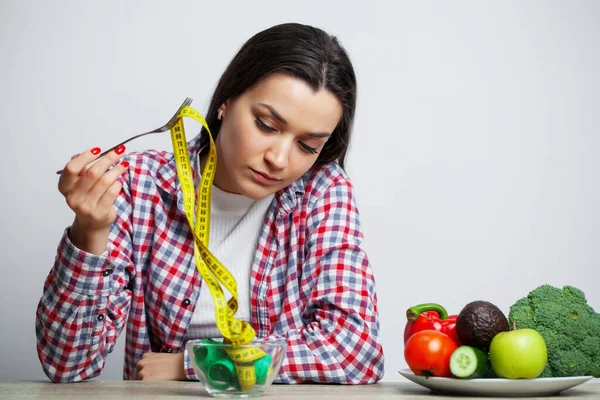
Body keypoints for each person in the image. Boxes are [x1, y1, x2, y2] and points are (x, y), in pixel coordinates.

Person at [36, 22, 384, 384]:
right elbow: (68, 365)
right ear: (224, 103)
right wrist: (89, 233)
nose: (280, 160)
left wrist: (193, 363)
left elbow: (355, 353)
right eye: (266, 125)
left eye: (308, 146)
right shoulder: (142, 186)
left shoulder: (322, 190)